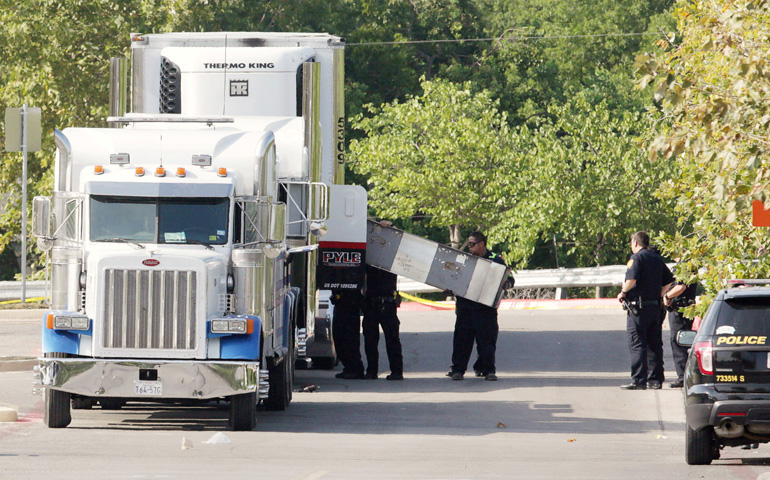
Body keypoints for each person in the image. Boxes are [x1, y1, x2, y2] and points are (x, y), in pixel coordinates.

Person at [617, 231, 675, 390]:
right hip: (655, 308)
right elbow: (669, 281)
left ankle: (638, 381)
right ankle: (655, 380)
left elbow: (631, 279)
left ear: (635, 243)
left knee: (637, 344)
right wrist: (660, 294)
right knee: (654, 344)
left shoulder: (636, 258)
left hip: (638, 309)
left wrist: (623, 293)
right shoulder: (656, 258)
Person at [448, 231, 507, 381]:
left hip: (485, 308)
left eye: (472, 244)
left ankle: (488, 370)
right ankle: (458, 370)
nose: (469, 247)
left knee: (487, 341)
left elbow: (509, 278)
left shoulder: (496, 259)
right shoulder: (464, 259)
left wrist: (506, 283)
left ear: (482, 244)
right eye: (468, 244)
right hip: (465, 308)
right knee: (462, 341)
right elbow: (452, 276)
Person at [362, 263, 404, 380]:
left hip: (387, 303)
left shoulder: (389, 260)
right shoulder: (370, 260)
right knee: (370, 339)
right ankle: (372, 371)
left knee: (392, 339)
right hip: (372, 303)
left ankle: (396, 372)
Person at [663, 275, 698, 388]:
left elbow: (681, 287)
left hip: (681, 309)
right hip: (683, 309)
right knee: (682, 341)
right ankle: (686, 376)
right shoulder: (688, 264)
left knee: (679, 341)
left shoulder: (685, 266)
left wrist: (667, 295)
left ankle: (683, 377)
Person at [331, 289, 366, 379]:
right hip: (340, 303)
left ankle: (355, 368)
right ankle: (349, 367)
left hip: (351, 303)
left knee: (350, 338)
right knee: (338, 337)